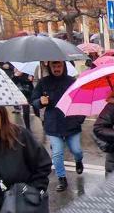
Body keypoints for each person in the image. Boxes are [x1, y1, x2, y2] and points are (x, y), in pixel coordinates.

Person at [31, 61, 85, 192]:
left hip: (72, 123)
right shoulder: (43, 82)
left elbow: (81, 100)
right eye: (54, 66)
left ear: (64, 67)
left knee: (77, 150)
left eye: (59, 66)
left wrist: (79, 119)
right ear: (50, 67)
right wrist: (40, 102)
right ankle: (62, 178)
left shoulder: (72, 81)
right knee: (57, 153)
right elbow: (33, 100)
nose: (57, 69)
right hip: (53, 125)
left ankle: (79, 160)